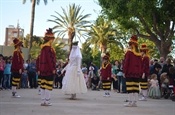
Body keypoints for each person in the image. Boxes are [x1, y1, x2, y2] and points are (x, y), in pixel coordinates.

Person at [38, 28, 56, 106]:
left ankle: (43, 101)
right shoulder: (49, 48)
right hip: (48, 69)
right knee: (48, 85)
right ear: (50, 39)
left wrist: (39, 68)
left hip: (42, 69)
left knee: (43, 85)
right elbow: (50, 60)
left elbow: (39, 59)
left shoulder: (43, 48)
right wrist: (53, 69)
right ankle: (47, 101)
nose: (53, 41)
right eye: (52, 39)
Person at [123, 35, 142, 107]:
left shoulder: (129, 53)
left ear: (131, 45)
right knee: (136, 87)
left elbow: (126, 63)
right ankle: (135, 102)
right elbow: (140, 64)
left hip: (130, 72)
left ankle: (130, 102)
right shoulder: (139, 54)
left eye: (129, 44)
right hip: (137, 73)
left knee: (130, 87)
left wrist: (124, 71)